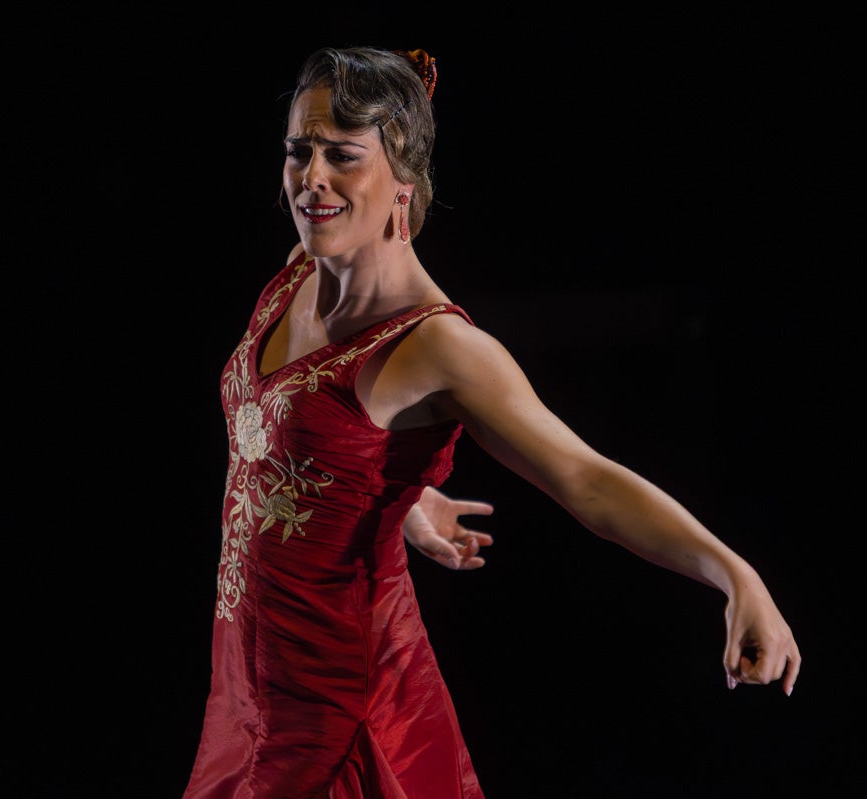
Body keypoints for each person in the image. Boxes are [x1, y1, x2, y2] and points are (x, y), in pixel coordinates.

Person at [182, 46, 801, 799]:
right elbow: (307, 446)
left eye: (341, 156)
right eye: (299, 151)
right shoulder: (299, 272)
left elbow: (588, 480)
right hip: (250, 689)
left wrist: (735, 574)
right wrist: (390, 492)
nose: (312, 178)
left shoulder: (438, 345)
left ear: (402, 178)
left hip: (341, 710)